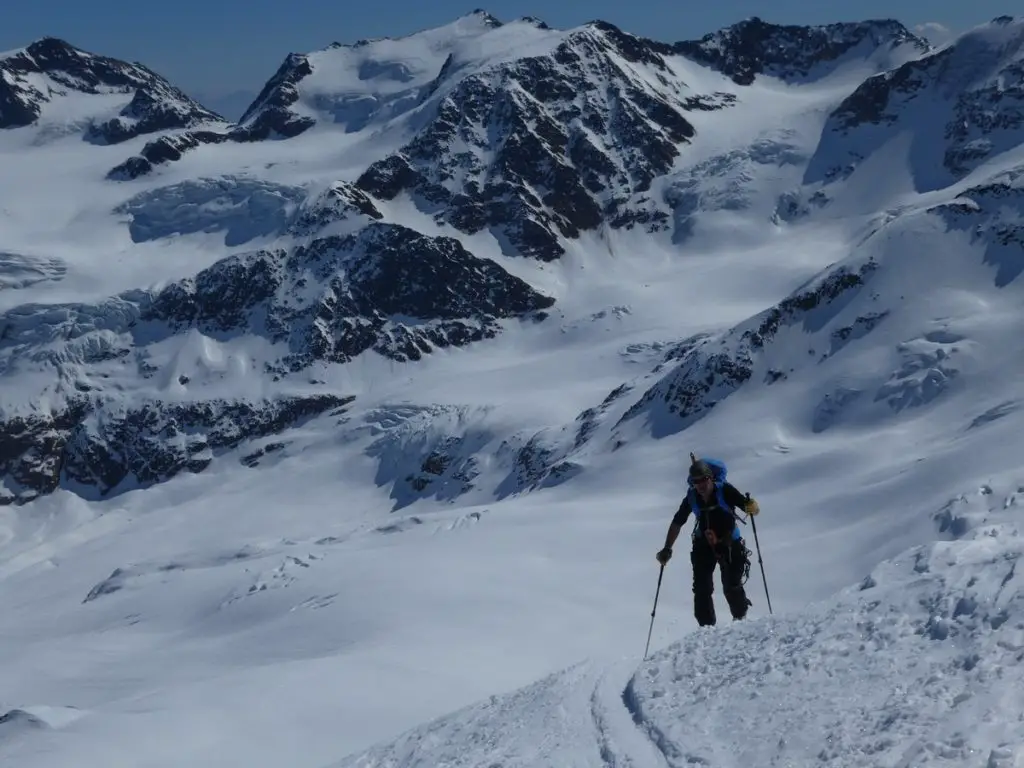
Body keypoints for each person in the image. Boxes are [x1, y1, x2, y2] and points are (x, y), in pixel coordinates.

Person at [655, 455, 760, 626]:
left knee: (732, 585)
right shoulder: (692, 497)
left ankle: (740, 621)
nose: (700, 485)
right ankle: (706, 631)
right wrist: (667, 548)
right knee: (702, 589)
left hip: (728, 543)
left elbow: (747, 507)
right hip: (703, 545)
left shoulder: (725, 490)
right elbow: (677, 522)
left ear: (710, 478)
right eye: (696, 482)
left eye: (703, 480)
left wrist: (752, 507)